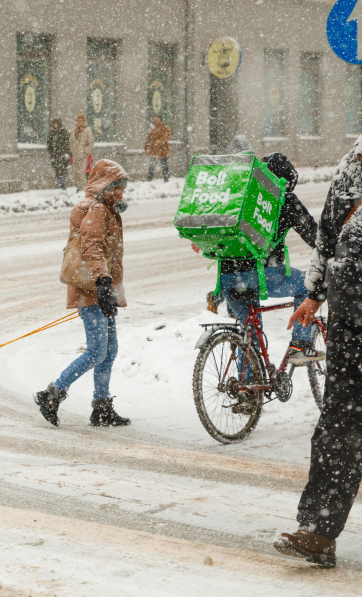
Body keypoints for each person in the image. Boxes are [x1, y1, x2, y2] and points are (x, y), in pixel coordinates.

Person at [274, 137, 362, 568]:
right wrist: (313, 294)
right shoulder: (351, 165)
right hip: (349, 325)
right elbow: (327, 239)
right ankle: (319, 532)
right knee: (337, 429)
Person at [194, 153, 321, 371]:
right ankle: (299, 345)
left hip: (228, 278)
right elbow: (314, 237)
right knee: (308, 285)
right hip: (263, 275)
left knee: (248, 336)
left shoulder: (241, 197)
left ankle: (248, 388)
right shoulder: (284, 198)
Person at [34, 160, 131, 428]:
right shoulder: (97, 209)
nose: (122, 192)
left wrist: (107, 285)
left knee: (109, 351)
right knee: (98, 351)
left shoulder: (106, 209)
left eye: (123, 187)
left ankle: (102, 407)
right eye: (118, 187)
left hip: (102, 289)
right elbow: (91, 247)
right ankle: (52, 393)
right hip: (93, 289)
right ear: (105, 186)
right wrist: (102, 281)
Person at [69, 114, 95, 193]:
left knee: (82, 173)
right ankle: (79, 188)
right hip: (75, 155)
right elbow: (71, 142)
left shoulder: (87, 131)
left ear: (84, 121)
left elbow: (91, 143)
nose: (79, 122)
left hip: (83, 156)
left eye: (81, 120)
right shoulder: (74, 131)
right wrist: (72, 150)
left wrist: (85, 151)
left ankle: (83, 190)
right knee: (76, 174)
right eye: (78, 120)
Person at [144, 115, 172, 182]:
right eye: (154, 119)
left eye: (157, 119)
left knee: (164, 165)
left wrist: (160, 141)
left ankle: (166, 179)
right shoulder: (152, 128)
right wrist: (146, 147)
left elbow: (168, 136)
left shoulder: (165, 127)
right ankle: (149, 179)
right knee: (152, 165)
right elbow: (149, 138)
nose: (155, 121)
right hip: (154, 149)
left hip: (163, 149)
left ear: (160, 120)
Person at [46, 118, 72, 190]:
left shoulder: (64, 132)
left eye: (56, 124)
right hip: (55, 155)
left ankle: (63, 184)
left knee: (63, 170)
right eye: (54, 124)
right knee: (57, 170)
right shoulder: (51, 133)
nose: (55, 125)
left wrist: (67, 152)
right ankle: (61, 184)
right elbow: (49, 144)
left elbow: (68, 143)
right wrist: (51, 151)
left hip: (63, 154)